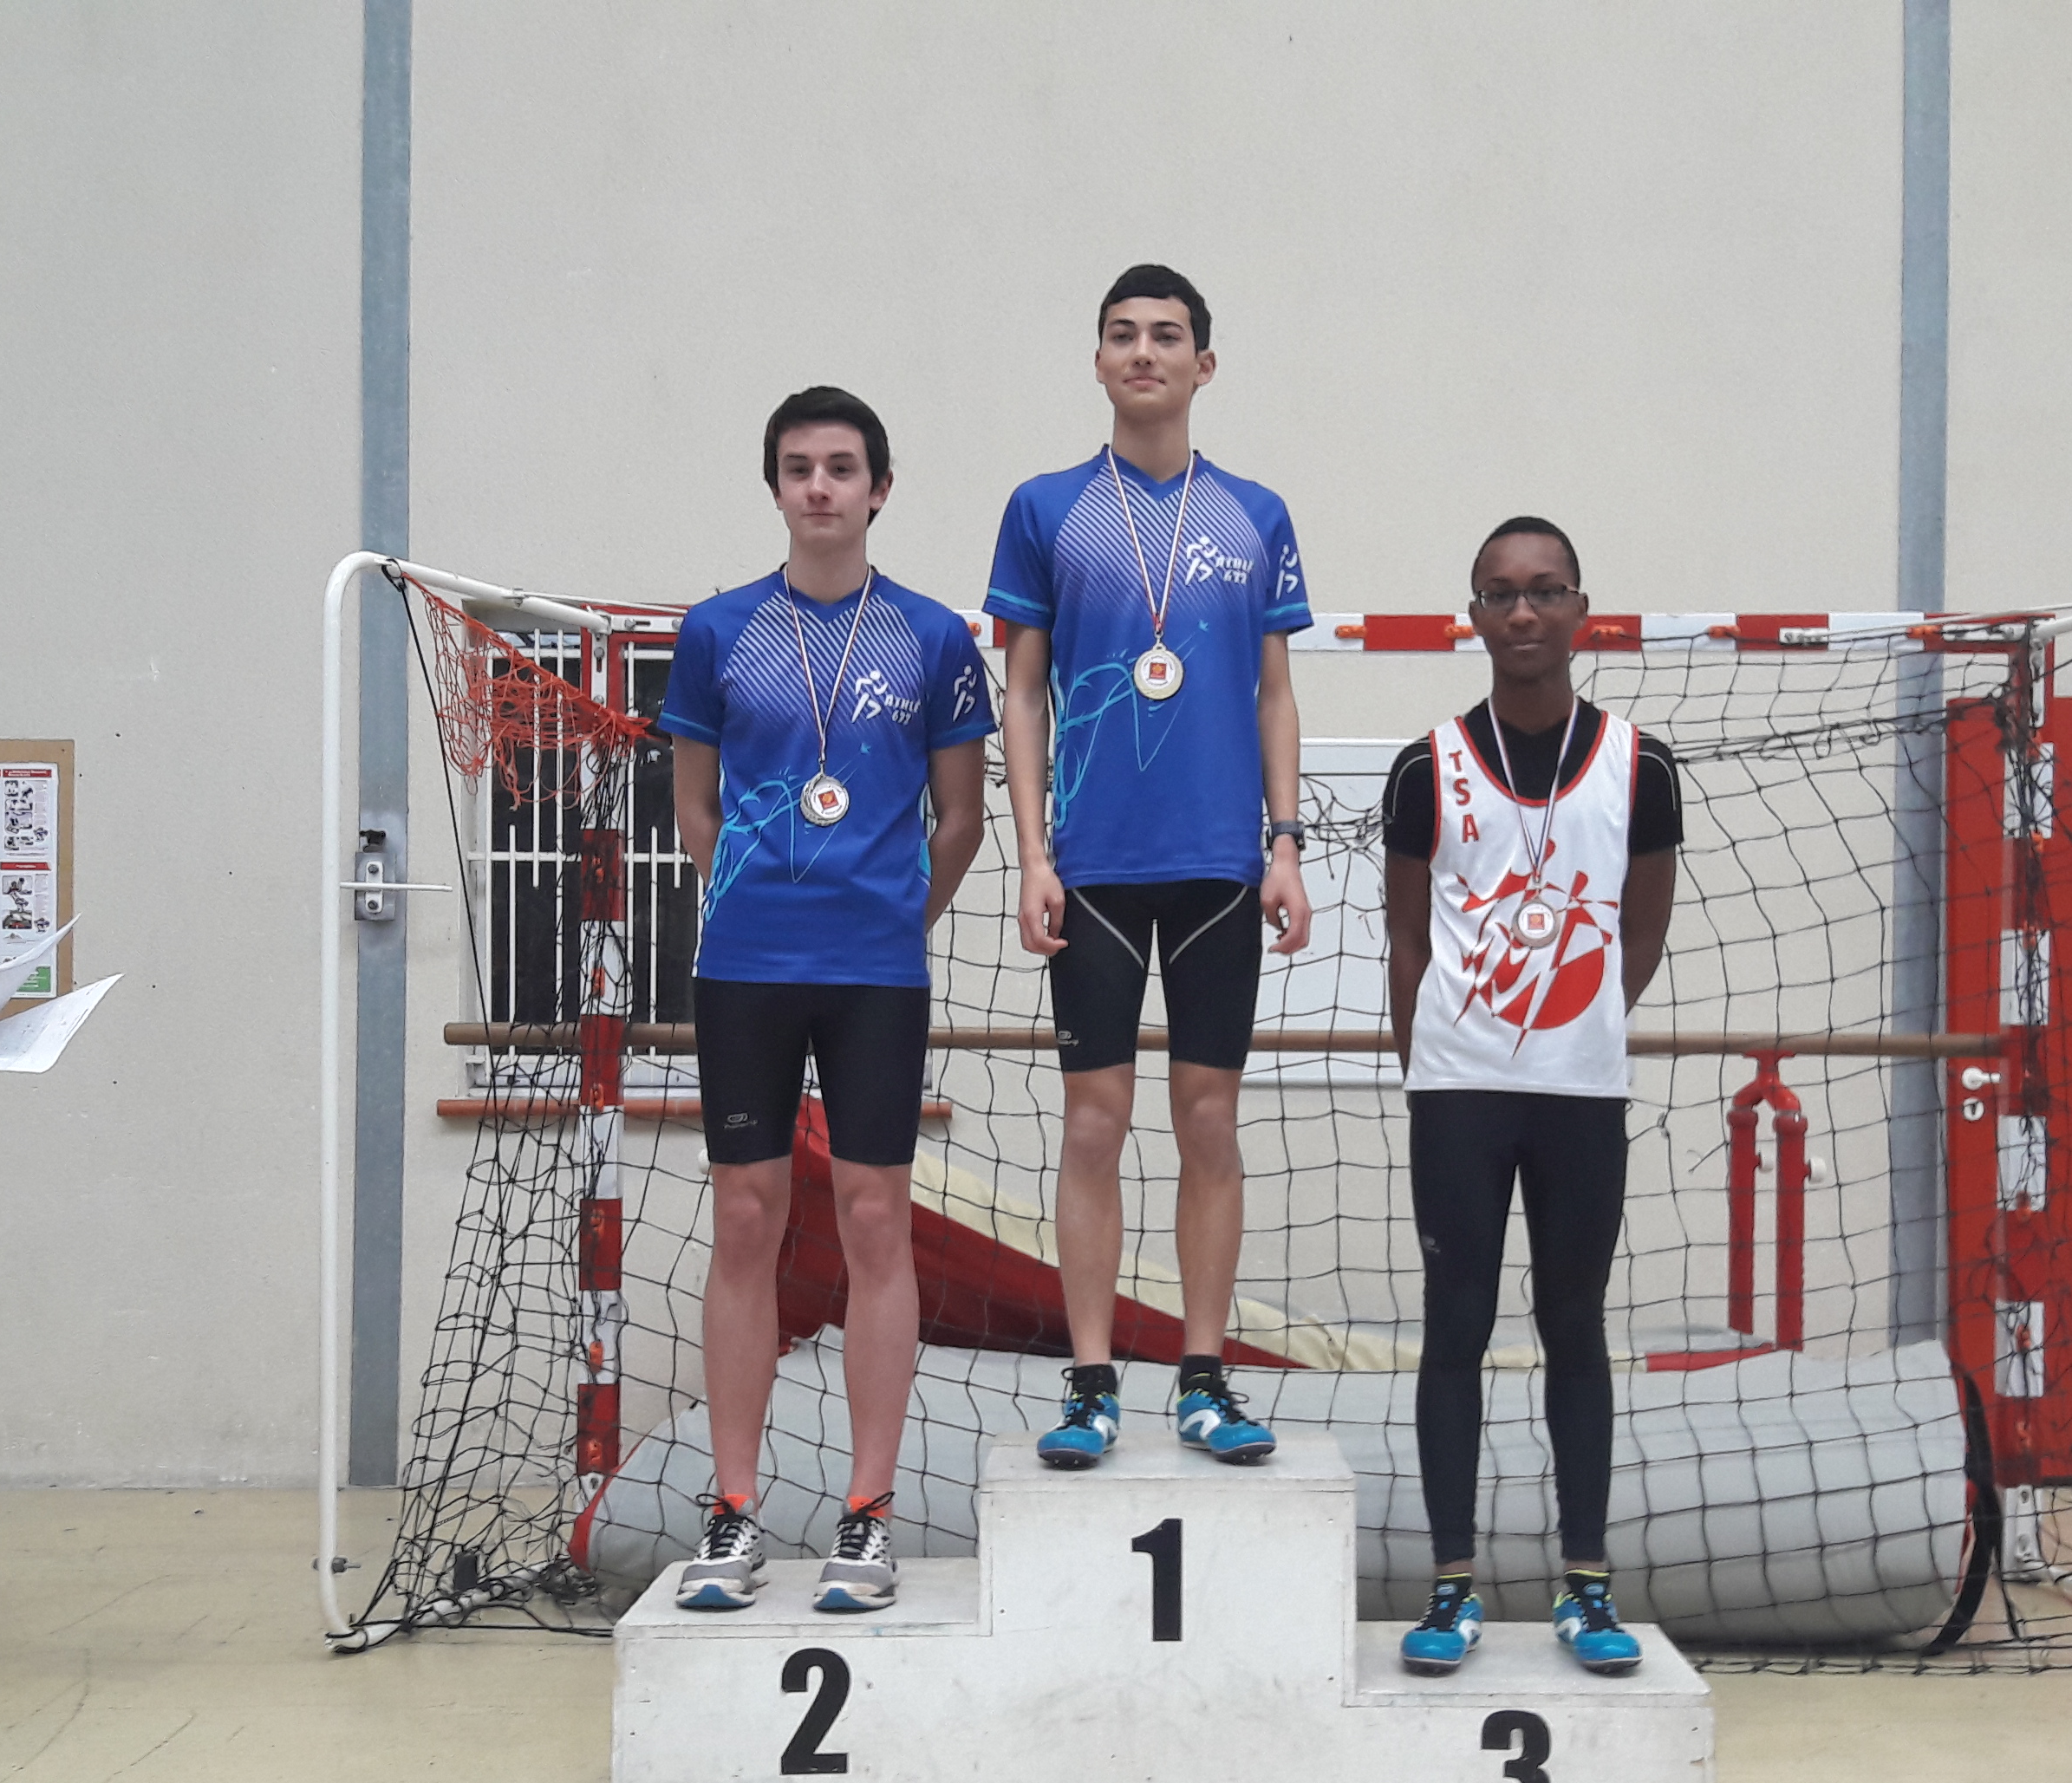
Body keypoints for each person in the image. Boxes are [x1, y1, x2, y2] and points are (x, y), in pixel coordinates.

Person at [664, 385, 994, 1613]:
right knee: (746, 1218)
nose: (820, 486)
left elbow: (960, 820)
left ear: (879, 489)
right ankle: (733, 1510)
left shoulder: (933, 638)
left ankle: (868, 1513)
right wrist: (755, 903)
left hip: (876, 974)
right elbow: (695, 807)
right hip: (746, 967)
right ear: (776, 487)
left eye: (842, 467)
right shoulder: (718, 631)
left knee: (872, 1221)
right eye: (799, 466)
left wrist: (889, 920)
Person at [987, 263, 1312, 1468]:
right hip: (1094, 868)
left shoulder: (1257, 514)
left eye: (1167, 336)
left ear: (1203, 365)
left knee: (1209, 1118)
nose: (1143, 352)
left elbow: (1275, 693)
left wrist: (1286, 843)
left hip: (1221, 865)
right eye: (1122, 334)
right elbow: (1022, 693)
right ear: (1098, 360)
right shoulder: (1046, 509)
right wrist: (1032, 854)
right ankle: (1090, 1384)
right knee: (1094, 1121)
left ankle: (1204, 1378)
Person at [1381, 517, 1684, 1676]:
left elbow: (1640, 932)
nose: (1523, 612)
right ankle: (1451, 1584)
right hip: (1459, 1090)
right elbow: (1408, 937)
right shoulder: (1428, 766)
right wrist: (1435, 1062)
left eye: (1545, 591)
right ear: (1473, 614)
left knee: (1575, 1326)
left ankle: (1587, 1585)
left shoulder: (1641, 767)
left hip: (1580, 1091)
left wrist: (1575, 1025)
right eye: (1501, 593)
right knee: (1455, 1327)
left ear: (1580, 612)